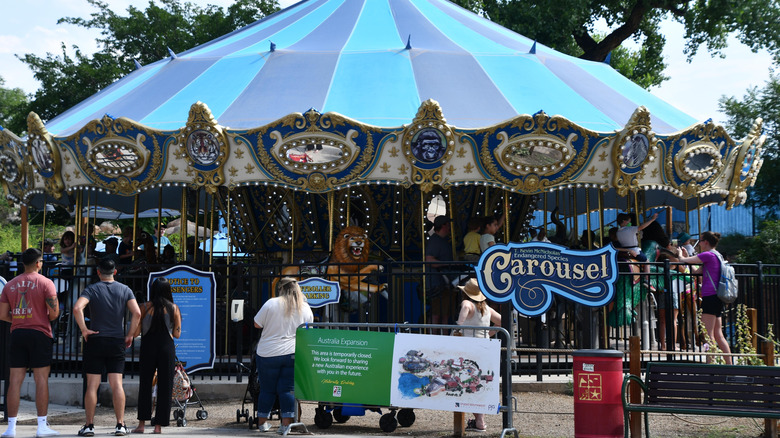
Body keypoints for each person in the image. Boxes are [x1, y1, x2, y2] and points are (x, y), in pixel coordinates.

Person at [73, 258, 142, 437]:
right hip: (116, 340)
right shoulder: (125, 290)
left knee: (92, 385)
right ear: (115, 272)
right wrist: (130, 334)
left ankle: (89, 425)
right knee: (117, 384)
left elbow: (77, 308)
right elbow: (137, 312)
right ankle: (120, 424)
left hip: (95, 339)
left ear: (98, 272)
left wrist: (84, 329)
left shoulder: (91, 289)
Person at [0, 248, 60, 438]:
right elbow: (54, 313)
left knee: (14, 381)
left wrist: (20, 320)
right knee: (41, 380)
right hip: (40, 333)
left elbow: (2, 314)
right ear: (38, 263)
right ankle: (42, 426)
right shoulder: (46, 282)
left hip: (18, 333)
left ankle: (11, 428)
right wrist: (38, 317)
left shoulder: (10, 284)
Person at [253, 277, 314, 434]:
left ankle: (262, 423)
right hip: (292, 352)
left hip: (267, 353)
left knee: (267, 390)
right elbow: (308, 331)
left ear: (281, 289)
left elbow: (257, 324)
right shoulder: (305, 308)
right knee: (287, 390)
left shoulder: (271, 303)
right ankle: (285, 425)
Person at [132, 278, 182, 434]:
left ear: (153, 290)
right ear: (168, 291)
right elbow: (177, 334)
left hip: (148, 348)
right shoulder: (174, 308)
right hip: (166, 348)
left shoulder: (144, 307)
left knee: (145, 384)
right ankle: (158, 426)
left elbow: (136, 333)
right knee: (165, 386)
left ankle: (141, 424)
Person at [676, 231, 732, 364]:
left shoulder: (707, 254)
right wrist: (687, 257)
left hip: (710, 297)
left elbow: (682, 261)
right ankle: (730, 366)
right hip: (717, 298)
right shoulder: (717, 255)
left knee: (708, 335)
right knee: (718, 334)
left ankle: (710, 365)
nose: (699, 243)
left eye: (700, 241)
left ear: (706, 242)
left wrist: (680, 255)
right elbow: (696, 272)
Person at [455, 278, 501, 433]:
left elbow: (463, 314)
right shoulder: (487, 308)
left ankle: (480, 421)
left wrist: (458, 326)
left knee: (468, 383)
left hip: (468, 350)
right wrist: (488, 333)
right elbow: (502, 322)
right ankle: (480, 420)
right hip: (484, 349)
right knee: (477, 384)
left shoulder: (467, 304)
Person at [425, 215, 456, 327]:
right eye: (448, 225)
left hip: (444, 283)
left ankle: (443, 335)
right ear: (443, 226)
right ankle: (434, 336)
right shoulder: (435, 241)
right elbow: (429, 260)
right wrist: (447, 263)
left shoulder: (442, 241)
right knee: (437, 314)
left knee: (445, 314)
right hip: (437, 283)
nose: (449, 228)